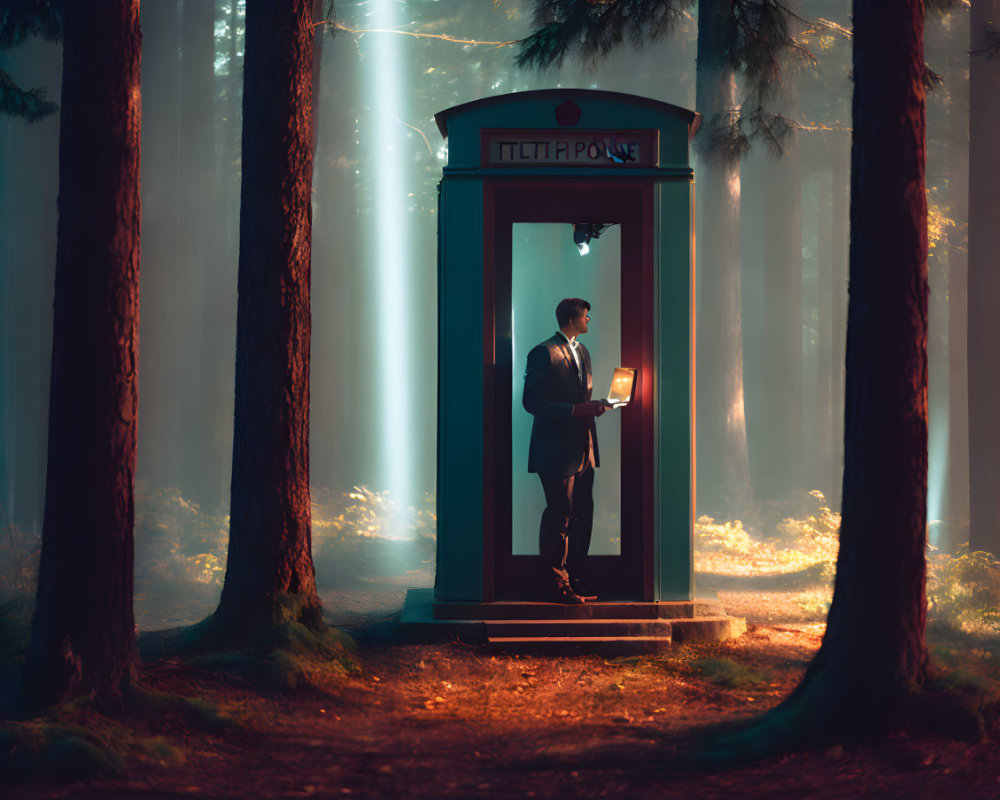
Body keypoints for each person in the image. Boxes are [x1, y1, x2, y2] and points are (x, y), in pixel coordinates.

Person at [522, 297, 607, 604]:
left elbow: (578, 396)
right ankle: (557, 585)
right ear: (573, 319)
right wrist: (575, 411)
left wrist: (595, 407)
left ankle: (574, 580)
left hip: (584, 448)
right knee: (560, 515)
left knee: (583, 514)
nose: (589, 320)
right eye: (586, 315)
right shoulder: (543, 352)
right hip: (555, 449)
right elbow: (531, 402)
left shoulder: (583, 351)